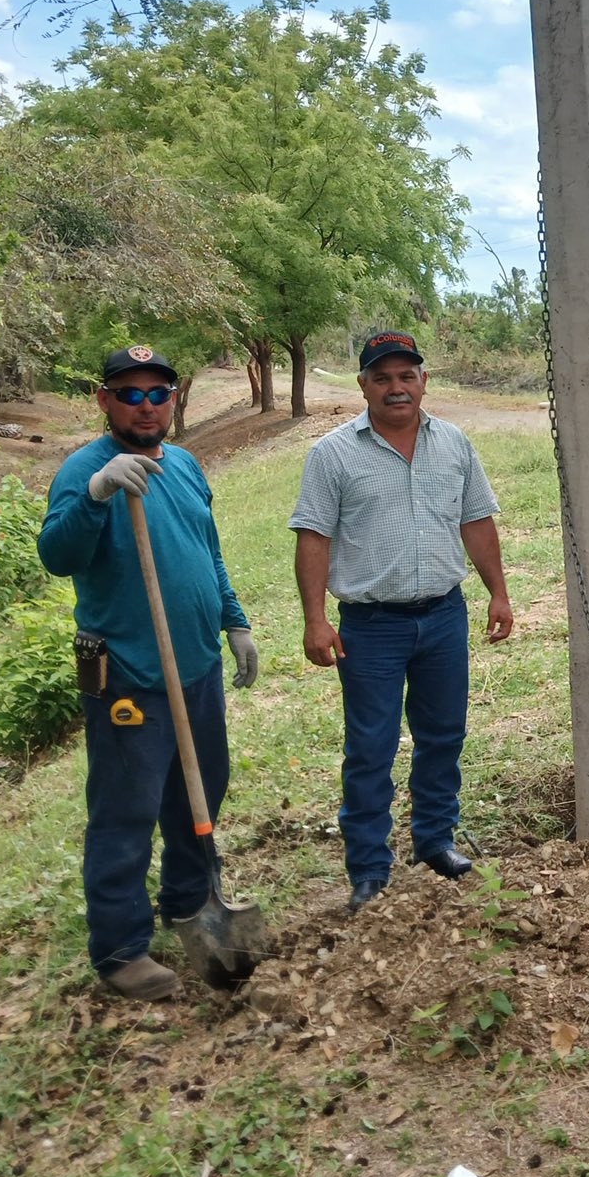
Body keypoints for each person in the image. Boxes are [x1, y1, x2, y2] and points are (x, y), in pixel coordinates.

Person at [39, 345, 258, 1001]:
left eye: (157, 393)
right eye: (129, 394)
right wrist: (99, 495)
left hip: (195, 668)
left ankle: (192, 903)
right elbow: (57, 553)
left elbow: (206, 550)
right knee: (125, 814)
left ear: (174, 399)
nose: (145, 405)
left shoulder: (185, 465)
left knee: (200, 794)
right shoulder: (84, 471)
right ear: (104, 401)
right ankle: (120, 951)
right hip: (129, 678)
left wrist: (234, 619)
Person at [290, 332, 514, 912]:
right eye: (382, 377)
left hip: (443, 616)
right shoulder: (333, 455)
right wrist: (315, 620)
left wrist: (499, 593)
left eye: (406, 376)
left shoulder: (455, 444)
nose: (396, 387)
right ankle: (368, 867)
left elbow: (477, 522)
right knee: (371, 747)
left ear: (423, 381)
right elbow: (314, 537)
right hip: (371, 627)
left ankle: (435, 840)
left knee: (443, 736)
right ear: (363, 385)